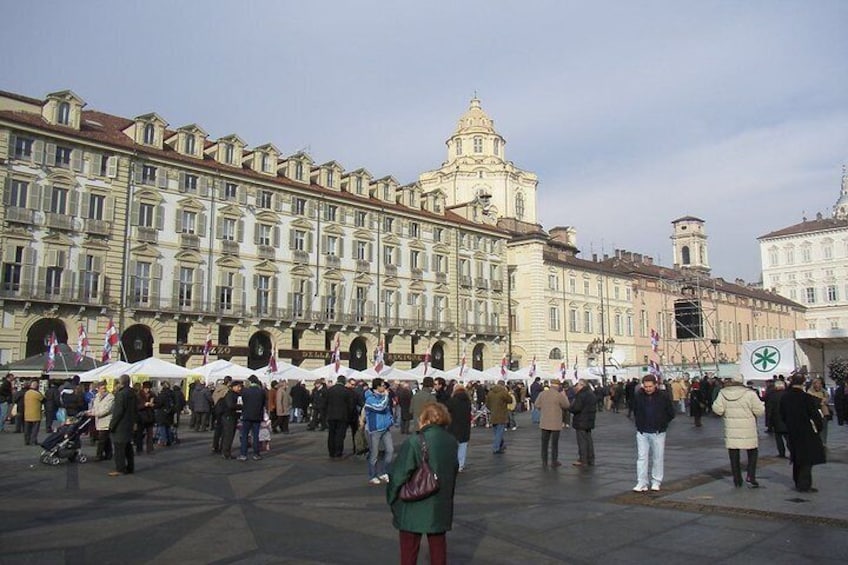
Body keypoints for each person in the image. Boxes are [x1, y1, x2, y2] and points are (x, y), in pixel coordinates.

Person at [387, 402, 458, 565]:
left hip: (413, 501)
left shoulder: (415, 441)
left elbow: (399, 474)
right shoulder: (451, 441)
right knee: (438, 547)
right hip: (440, 502)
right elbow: (453, 470)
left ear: (425, 419)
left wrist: (391, 497)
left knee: (409, 550)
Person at [712, 375, 765, 487]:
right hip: (748, 428)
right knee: (752, 452)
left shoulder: (723, 393)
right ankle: (751, 475)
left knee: (734, 455)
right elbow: (759, 410)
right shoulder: (750, 393)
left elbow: (717, 409)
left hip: (731, 428)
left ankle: (737, 479)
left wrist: (726, 412)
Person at [780, 372, 826, 493]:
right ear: (803, 383)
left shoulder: (785, 397)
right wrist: (819, 428)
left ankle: (797, 481)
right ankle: (804, 484)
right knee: (807, 458)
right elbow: (816, 416)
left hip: (792, 430)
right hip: (806, 431)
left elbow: (782, 415)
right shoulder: (806, 398)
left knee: (796, 457)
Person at [631, 375, 675, 491]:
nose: (648, 389)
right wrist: (638, 423)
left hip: (658, 432)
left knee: (658, 457)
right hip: (642, 431)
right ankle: (642, 482)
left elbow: (671, 412)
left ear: (655, 385)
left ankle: (656, 481)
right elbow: (635, 410)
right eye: (646, 386)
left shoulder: (663, 396)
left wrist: (662, 423)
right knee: (641, 458)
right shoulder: (638, 396)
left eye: (650, 386)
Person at [364, 377, 394, 484]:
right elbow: (380, 407)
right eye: (382, 385)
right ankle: (373, 475)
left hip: (385, 428)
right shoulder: (369, 398)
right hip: (375, 429)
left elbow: (387, 410)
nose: (384, 387)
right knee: (374, 454)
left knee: (390, 451)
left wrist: (390, 420)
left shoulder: (383, 397)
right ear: (377, 387)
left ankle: (383, 471)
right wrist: (386, 396)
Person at [536, 381, 570, 469]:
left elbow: (537, 404)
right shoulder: (559, 395)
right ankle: (554, 461)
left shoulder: (542, 394)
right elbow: (566, 405)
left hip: (544, 422)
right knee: (554, 444)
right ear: (558, 386)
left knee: (544, 443)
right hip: (555, 423)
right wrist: (564, 396)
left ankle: (544, 461)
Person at [109, 374, 137, 476]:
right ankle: (130, 467)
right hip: (129, 423)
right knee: (128, 447)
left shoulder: (121, 394)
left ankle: (120, 469)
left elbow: (118, 412)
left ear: (121, 382)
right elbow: (135, 409)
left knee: (119, 448)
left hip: (121, 425)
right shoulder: (132, 393)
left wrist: (112, 425)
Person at [569, 379, 597, 467]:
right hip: (589, 420)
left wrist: (570, 408)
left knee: (582, 441)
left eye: (578, 385)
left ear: (582, 385)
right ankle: (590, 458)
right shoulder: (591, 394)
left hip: (581, 420)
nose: (576, 386)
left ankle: (583, 459)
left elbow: (576, 408)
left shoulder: (581, 394)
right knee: (589, 440)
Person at [325, 375, 354, 459]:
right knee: (340, 435)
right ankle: (338, 452)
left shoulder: (330, 390)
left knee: (331, 434)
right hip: (342, 416)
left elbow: (325, 403)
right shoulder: (346, 391)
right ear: (344, 381)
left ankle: (331, 452)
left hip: (331, 415)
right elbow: (350, 405)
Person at [445, 384, 472, 472]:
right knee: (463, 445)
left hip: (453, 425)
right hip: (465, 426)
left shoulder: (452, 401)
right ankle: (461, 464)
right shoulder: (468, 401)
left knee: (453, 446)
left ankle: (453, 463)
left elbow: (447, 411)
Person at [238, 375, 265, 461]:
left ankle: (243, 454)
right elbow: (263, 403)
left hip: (246, 415)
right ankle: (256, 454)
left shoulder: (245, 391)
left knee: (245, 435)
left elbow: (243, 401)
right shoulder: (261, 391)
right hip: (257, 416)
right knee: (256, 436)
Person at [89, 381, 114, 461]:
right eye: (101, 388)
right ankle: (109, 454)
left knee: (102, 439)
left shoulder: (110, 397)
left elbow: (106, 410)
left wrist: (95, 414)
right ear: (98, 389)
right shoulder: (97, 397)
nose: (103, 390)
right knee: (106, 439)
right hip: (98, 421)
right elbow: (94, 407)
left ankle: (98, 455)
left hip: (106, 420)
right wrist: (90, 412)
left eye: (104, 388)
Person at [485, 380, 511, 454]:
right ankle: (496, 448)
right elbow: (510, 400)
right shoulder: (503, 392)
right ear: (503, 385)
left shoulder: (490, 392)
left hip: (493, 415)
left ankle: (501, 445)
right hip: (501, 415)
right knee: (499, 432)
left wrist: (492, 409)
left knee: (496, 432)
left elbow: (487, 404)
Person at [765, 380, 789, 458]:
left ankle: (781, 453)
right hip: (787, 419)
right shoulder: (788, 394)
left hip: (776, 420)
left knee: (779, 438)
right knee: (788, 438)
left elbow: (769, 409)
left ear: (776, 387)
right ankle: (793, 451)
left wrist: (768, 422)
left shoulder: (772, 395)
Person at [220, 380, 243, 459]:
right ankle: (226, 452)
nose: (239, 388)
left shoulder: (235, 394)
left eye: (240, 387)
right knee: (228, 435)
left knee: (228, 434)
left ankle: (224, 450)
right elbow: (230, 405)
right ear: (233, 387)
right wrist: (240, 406)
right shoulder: (230, 394)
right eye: (238, 386)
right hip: (229, 416)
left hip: (231, 416)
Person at [807, 377, 831, 445]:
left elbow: (827, 400)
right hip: (814, 413)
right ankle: (816, 442)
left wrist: (824, 401)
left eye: (820, 384)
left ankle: (823, 442)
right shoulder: (809, 392)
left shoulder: (824, 391)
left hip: (823, 413)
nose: (819, 385)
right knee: (815, 428)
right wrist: (821, 401)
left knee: (824, 427)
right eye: (817, 383)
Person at [135, 381, 155, 455]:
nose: (148, 390)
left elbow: (158, 404)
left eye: (149, 388)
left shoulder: (152, 395)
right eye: (146, 388)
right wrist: (144, 405)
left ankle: (149, 449)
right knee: (139, 434)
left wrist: (153, 404)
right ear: (143, 388)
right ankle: (139, 449)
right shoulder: (138, 395)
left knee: (150, 434)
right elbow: (136, 406)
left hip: (150, 417)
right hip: (141, 417)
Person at [23, 380, 44, 446]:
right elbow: (43, 399)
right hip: (35, 414)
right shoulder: (36, 393)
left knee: (27, 428)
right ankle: (33, 441)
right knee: (35, 429)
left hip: (27, 413)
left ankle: (27, 440)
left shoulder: (27, 393)